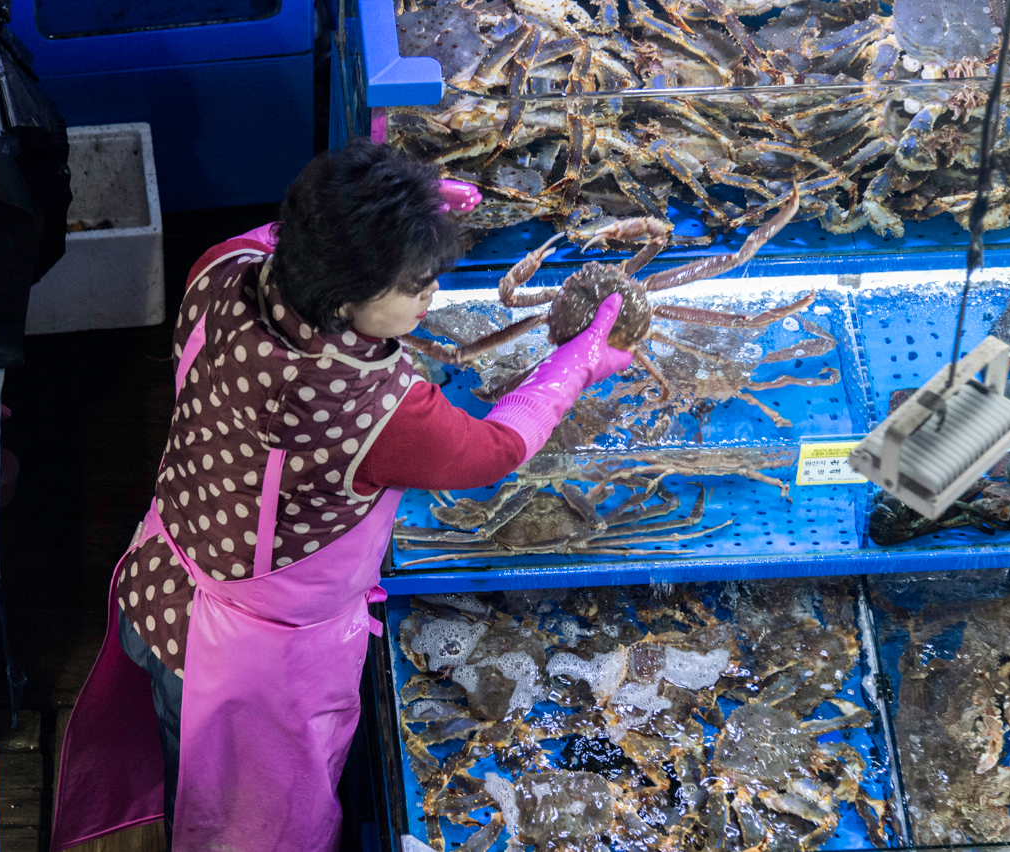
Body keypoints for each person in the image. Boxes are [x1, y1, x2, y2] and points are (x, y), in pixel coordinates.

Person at [50, 139, 632, 852]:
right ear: (347, 298)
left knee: (185, 777)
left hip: (158, 581)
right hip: (245, 665)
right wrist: (576, 363)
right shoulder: (371, 407)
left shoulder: (222, 269)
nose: (432, 297)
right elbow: (496, 451)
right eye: (416, 285)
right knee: (249, 828)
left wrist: (396, 207)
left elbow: (287, 232)